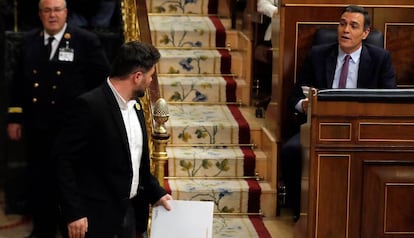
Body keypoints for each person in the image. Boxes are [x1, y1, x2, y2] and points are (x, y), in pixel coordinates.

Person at [280, 5, 396, 222]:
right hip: (319, 125)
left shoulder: (381, 59)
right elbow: (294, 96)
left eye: (353, 26)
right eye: (342, 24)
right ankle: (302, 212)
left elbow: (389, 101)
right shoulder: (318, 55)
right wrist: (304, 105)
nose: (346, 30)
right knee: (291, 150)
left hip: (364, 130)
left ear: (365, 33)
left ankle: (367, 215)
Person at [6, 0, 110, 236]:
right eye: (47, 10)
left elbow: (102, 84)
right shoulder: (29, 41)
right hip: (37, 126)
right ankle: (42, 230)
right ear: (40, 14)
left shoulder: (85, 41)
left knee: (69, 183)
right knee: (39, 180)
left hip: (71, 128)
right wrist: (14, 117)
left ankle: (70, 231)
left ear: (66, 13)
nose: (52, 15)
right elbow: (18, 84)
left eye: (57, 10)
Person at [53, 40, 173, 238]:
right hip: (93, 218)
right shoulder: (90, 106)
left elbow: (136, 163)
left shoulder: (137, 107)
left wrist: (156, 193)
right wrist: (73, 212)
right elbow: (63, 161)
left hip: (128, 215)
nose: (151, 81)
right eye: (150, 76)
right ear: (137, 77)